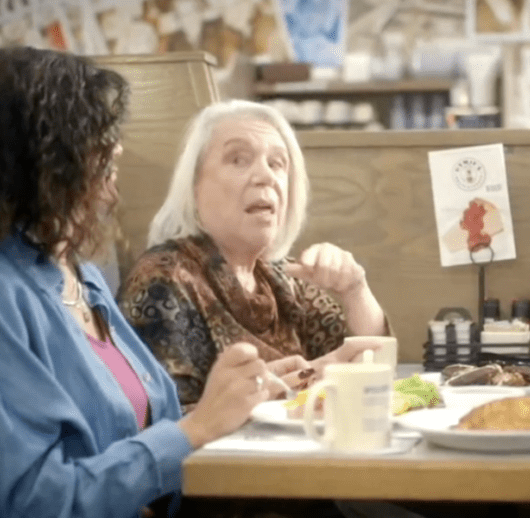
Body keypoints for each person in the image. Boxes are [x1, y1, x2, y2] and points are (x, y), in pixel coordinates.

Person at [0, 47, 275, 518]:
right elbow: (42, 501)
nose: (116, 150)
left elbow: (142, 442)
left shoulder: (81, 277)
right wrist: (196, 430)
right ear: (38, 160)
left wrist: (239, 397)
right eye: (95, 138)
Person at [117, 99, 389, 410]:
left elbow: (375, 365)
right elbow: (167, 424)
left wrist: (355, 289)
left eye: (277, 163)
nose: (265, 176)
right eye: (238, 159)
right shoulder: (164, 277)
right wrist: (290, 386)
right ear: (194, 186)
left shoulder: (280, 278)